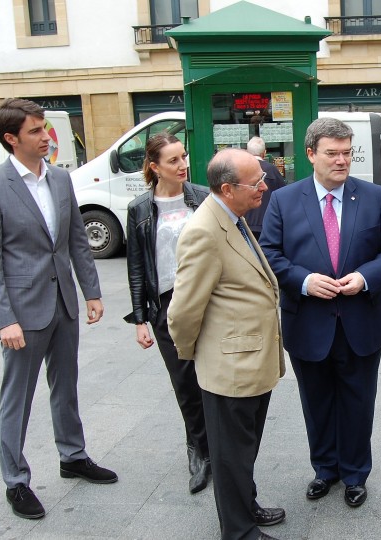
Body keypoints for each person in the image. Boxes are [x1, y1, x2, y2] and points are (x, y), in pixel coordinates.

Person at [0, 98, 117, 520]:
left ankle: (73, 455)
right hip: (22, 312)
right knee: (17, 397)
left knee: (65, 384)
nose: (46, 136)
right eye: (35, 130)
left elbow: (75, 242)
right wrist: (4, 320)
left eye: (44, 128)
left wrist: (91, 292)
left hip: (63, 303)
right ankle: (15, 480)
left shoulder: (59, 179)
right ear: (12, 139)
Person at [260, 117, 381, 509]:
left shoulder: (375, 197)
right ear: (311, 154)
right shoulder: (284, 200)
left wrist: (365, 277)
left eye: (347, 153)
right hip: (308, 321)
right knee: (317, 401)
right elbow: (269, 255)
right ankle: (325, 469)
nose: (342, 161)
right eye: (332, 153)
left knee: (358, 403)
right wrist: (305, 281)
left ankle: (356, 474)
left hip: (361, 321)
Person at [167, 148, 286, 540]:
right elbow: (183, 312)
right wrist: (196, 357)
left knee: (243, 448)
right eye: (255, 183)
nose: (264, 187)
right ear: (226, 188)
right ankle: (237, 531)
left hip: (251, 360)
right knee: (231, 454)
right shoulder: (204, 230)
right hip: (229, 365)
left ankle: (245, 505)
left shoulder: (233, 217)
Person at [123, 133, 211, 494]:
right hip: (165, 306)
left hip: (207, 301)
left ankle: (221, 449)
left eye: (183, 156)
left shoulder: (204, 197)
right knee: (186, 384)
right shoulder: (140, 208)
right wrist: (140, 318)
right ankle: (198, 450)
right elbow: (136, 268)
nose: (182, 164)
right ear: (154, 166)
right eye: (173, 160)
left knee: (214, 380)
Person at [244, 136, 287, 238]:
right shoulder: (271, 169)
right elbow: (283, 194)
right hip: (266, 222)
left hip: (245, 222)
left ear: (247, 152)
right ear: (264, 153)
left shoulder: (242, 169)